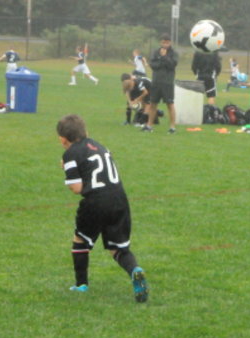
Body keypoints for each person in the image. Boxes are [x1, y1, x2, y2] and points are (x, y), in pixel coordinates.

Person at [57, 114, 149, 303]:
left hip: (95, 202)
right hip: (119, 200)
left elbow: (76, 188)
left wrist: (66, 168)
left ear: (62, 140)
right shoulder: (100, 146)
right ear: (86, 132)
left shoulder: (70, 154)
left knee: (81, 240)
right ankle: (135, 270)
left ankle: (81, 285)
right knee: (118, 248)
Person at [144, 34, 178, 134]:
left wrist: (164, 57)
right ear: (160, 42)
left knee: (170, 104)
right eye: (163, 42)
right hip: (156, 82)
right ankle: (149, 126)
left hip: (167, 83)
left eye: (167, 42)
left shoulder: (174, 53)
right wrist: (162, 62)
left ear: (170, 43)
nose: (165, 44)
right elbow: (153, 65)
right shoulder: (155, 52)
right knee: (153, 104)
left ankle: (172, 127)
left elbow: (172, 65)